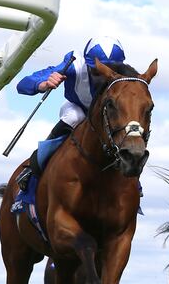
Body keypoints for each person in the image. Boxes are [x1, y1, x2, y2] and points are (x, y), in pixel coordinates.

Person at [14, 37, 128, 190]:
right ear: (87, 63)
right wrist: (44, 83)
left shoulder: (126, 74)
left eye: (112, 69)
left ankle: (134, 183)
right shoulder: (73, 65)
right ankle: (33, 169)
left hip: (106, 115)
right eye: (97, 70)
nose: (104, 76)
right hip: (78, 108)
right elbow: (22, 85)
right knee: (74, 117)